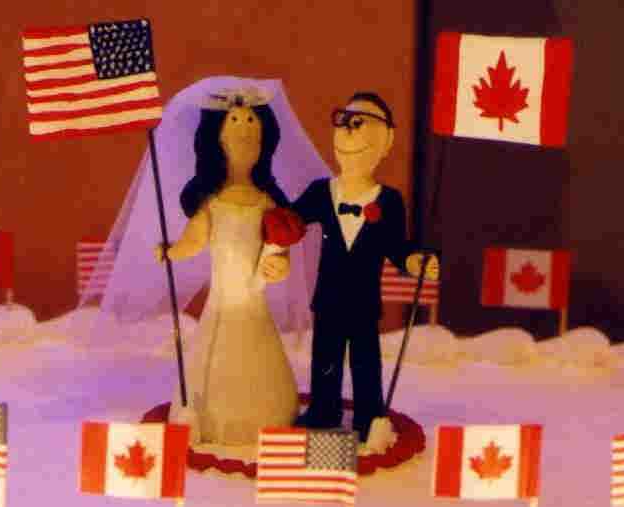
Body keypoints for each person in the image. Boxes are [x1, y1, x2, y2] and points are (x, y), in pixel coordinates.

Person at [261, 92, 437, 443]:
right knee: (324, 357)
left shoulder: (389, 201)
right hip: (327, 298)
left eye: (361, 123)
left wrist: (415, 261)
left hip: (363, 301)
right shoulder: (320, 192)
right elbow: (290, 224)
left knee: (365, 362)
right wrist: (276, 251)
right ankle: (323, 410)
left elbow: (396, 247)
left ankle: (369, 414)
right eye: (345, 122)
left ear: (386, 141)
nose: (350, 131)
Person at [154, 88, 302, 446]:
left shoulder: (268, 201)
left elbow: (279, 248)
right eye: (234, 122)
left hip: (254, 303)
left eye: (252, 123)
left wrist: (279, 265)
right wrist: (172, 252)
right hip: (221, 305)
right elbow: (195, 241)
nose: (244, 130)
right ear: (216, 138)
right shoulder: (212, 202)